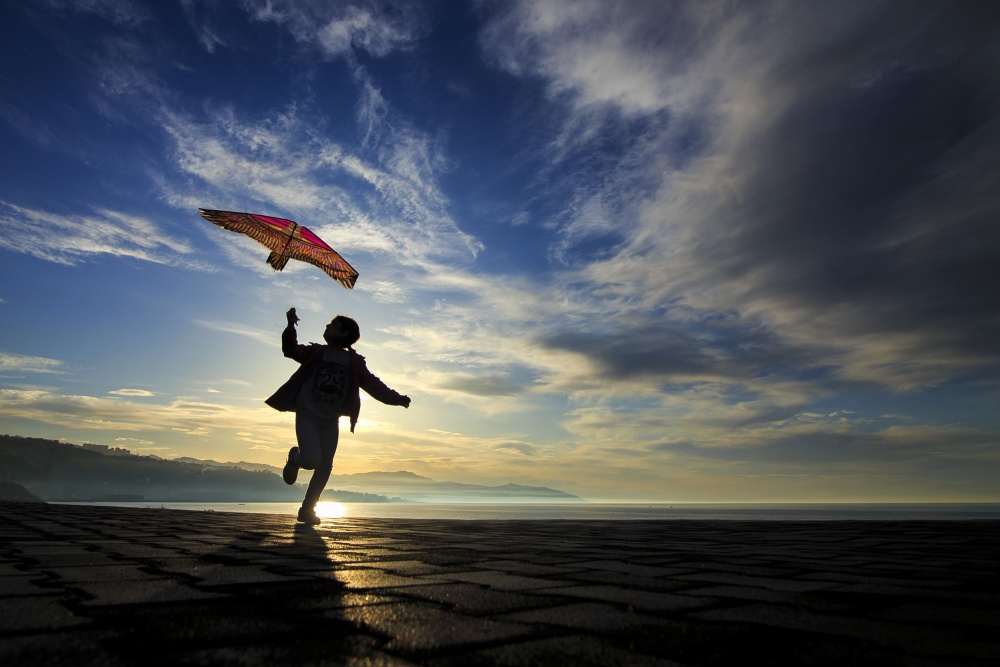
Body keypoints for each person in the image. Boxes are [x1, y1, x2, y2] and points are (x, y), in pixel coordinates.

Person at [266, 307, 411, 525]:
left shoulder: (354, 363)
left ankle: (307, 509)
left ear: (344, 333)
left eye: (333, 324)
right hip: (307, 415)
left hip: (330, 420)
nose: (327, 325)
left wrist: (396, 398)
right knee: (312, 460)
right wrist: (290, 326)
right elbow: (290, 350)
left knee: (325, 465)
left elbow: (373, 384)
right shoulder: (315, 353)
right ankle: (295, 458)